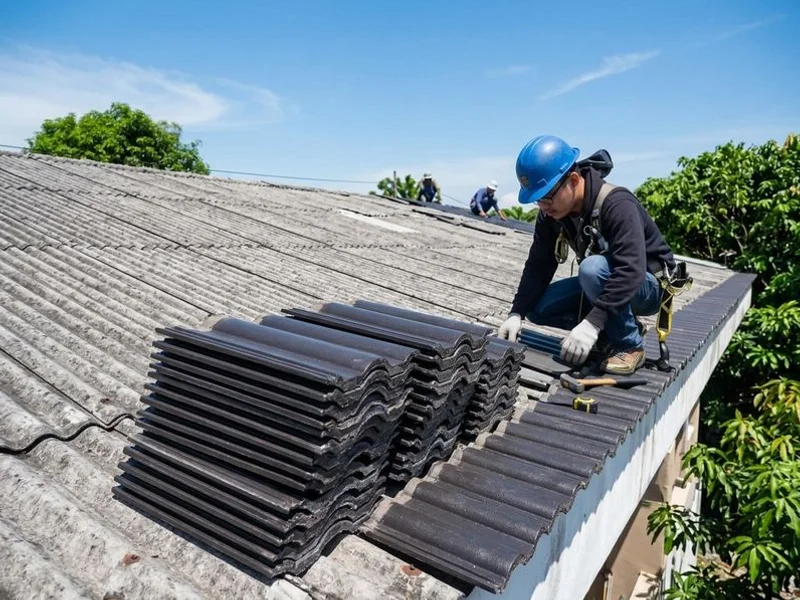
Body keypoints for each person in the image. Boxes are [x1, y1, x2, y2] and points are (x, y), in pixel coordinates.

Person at [496, 134, 677, 375]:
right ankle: (613, 329)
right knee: (536, 306)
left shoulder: (617, 204)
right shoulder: (551, 215)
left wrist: (592, 323)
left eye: (546, 197)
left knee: (592, 268)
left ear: (573, 180)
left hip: (647, 287)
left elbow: (631, 270)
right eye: (537, 201)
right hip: (606, 281)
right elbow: (539, 264)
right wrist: (516, 312)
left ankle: (629, 345)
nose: (544, 208)